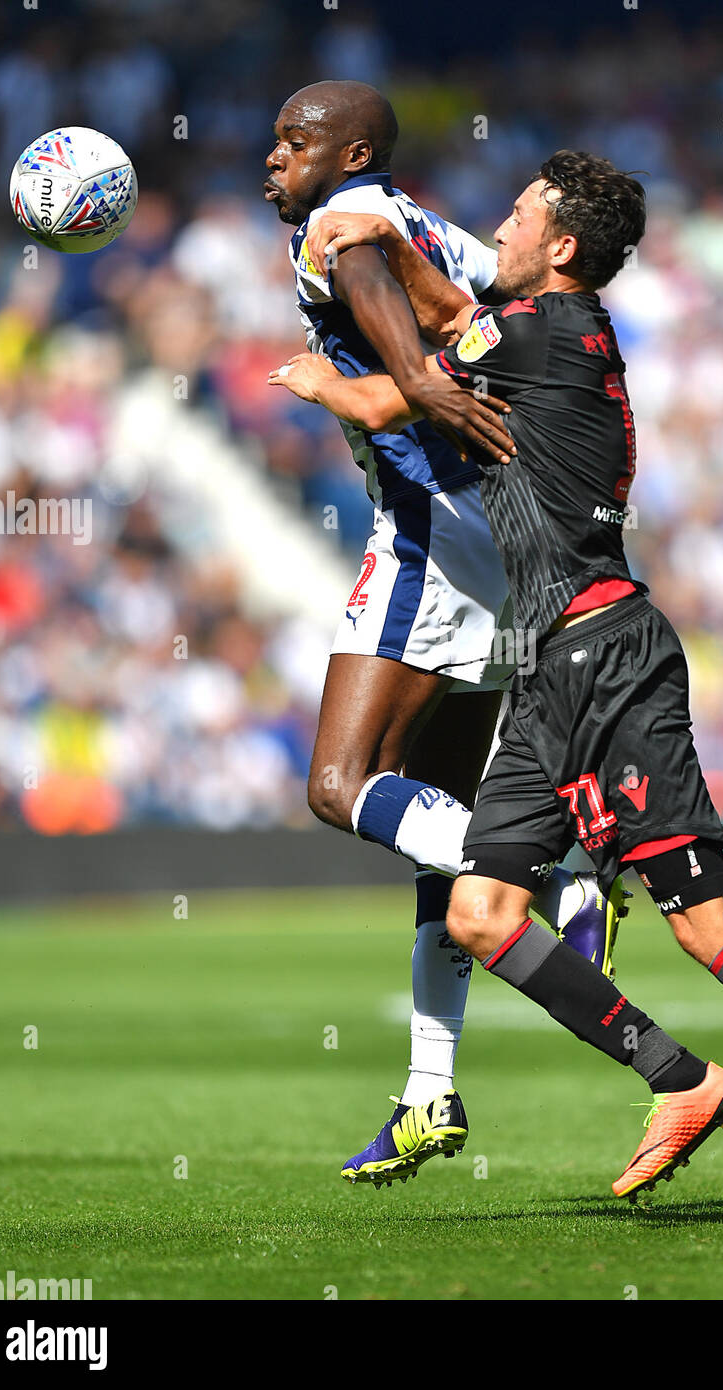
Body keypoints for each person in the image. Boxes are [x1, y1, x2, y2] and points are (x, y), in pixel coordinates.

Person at [271, 151, 723, 1222]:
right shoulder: (532, 338)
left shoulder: (540, 332)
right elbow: (424, 359)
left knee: (703, 922)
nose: (496, 227)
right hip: (549, 667)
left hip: (608, 657)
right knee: (484, 913)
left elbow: (425, 353)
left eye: (516, 215)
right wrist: (357, 323)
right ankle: (681, 1079)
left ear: (559, 247)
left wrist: (351, 275)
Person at [263, 83, 626, 1188]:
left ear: (351, 151)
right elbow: (484, 321)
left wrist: (404, 382)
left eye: (294, 141)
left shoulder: (345, 226)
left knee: (338, 783)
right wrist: (439, 370)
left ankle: (555, 875)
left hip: (433, 537)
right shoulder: (439, 229)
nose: (273, 158)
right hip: (511, 541)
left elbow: (370, 282)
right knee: (438, 813)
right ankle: (430, 1090)